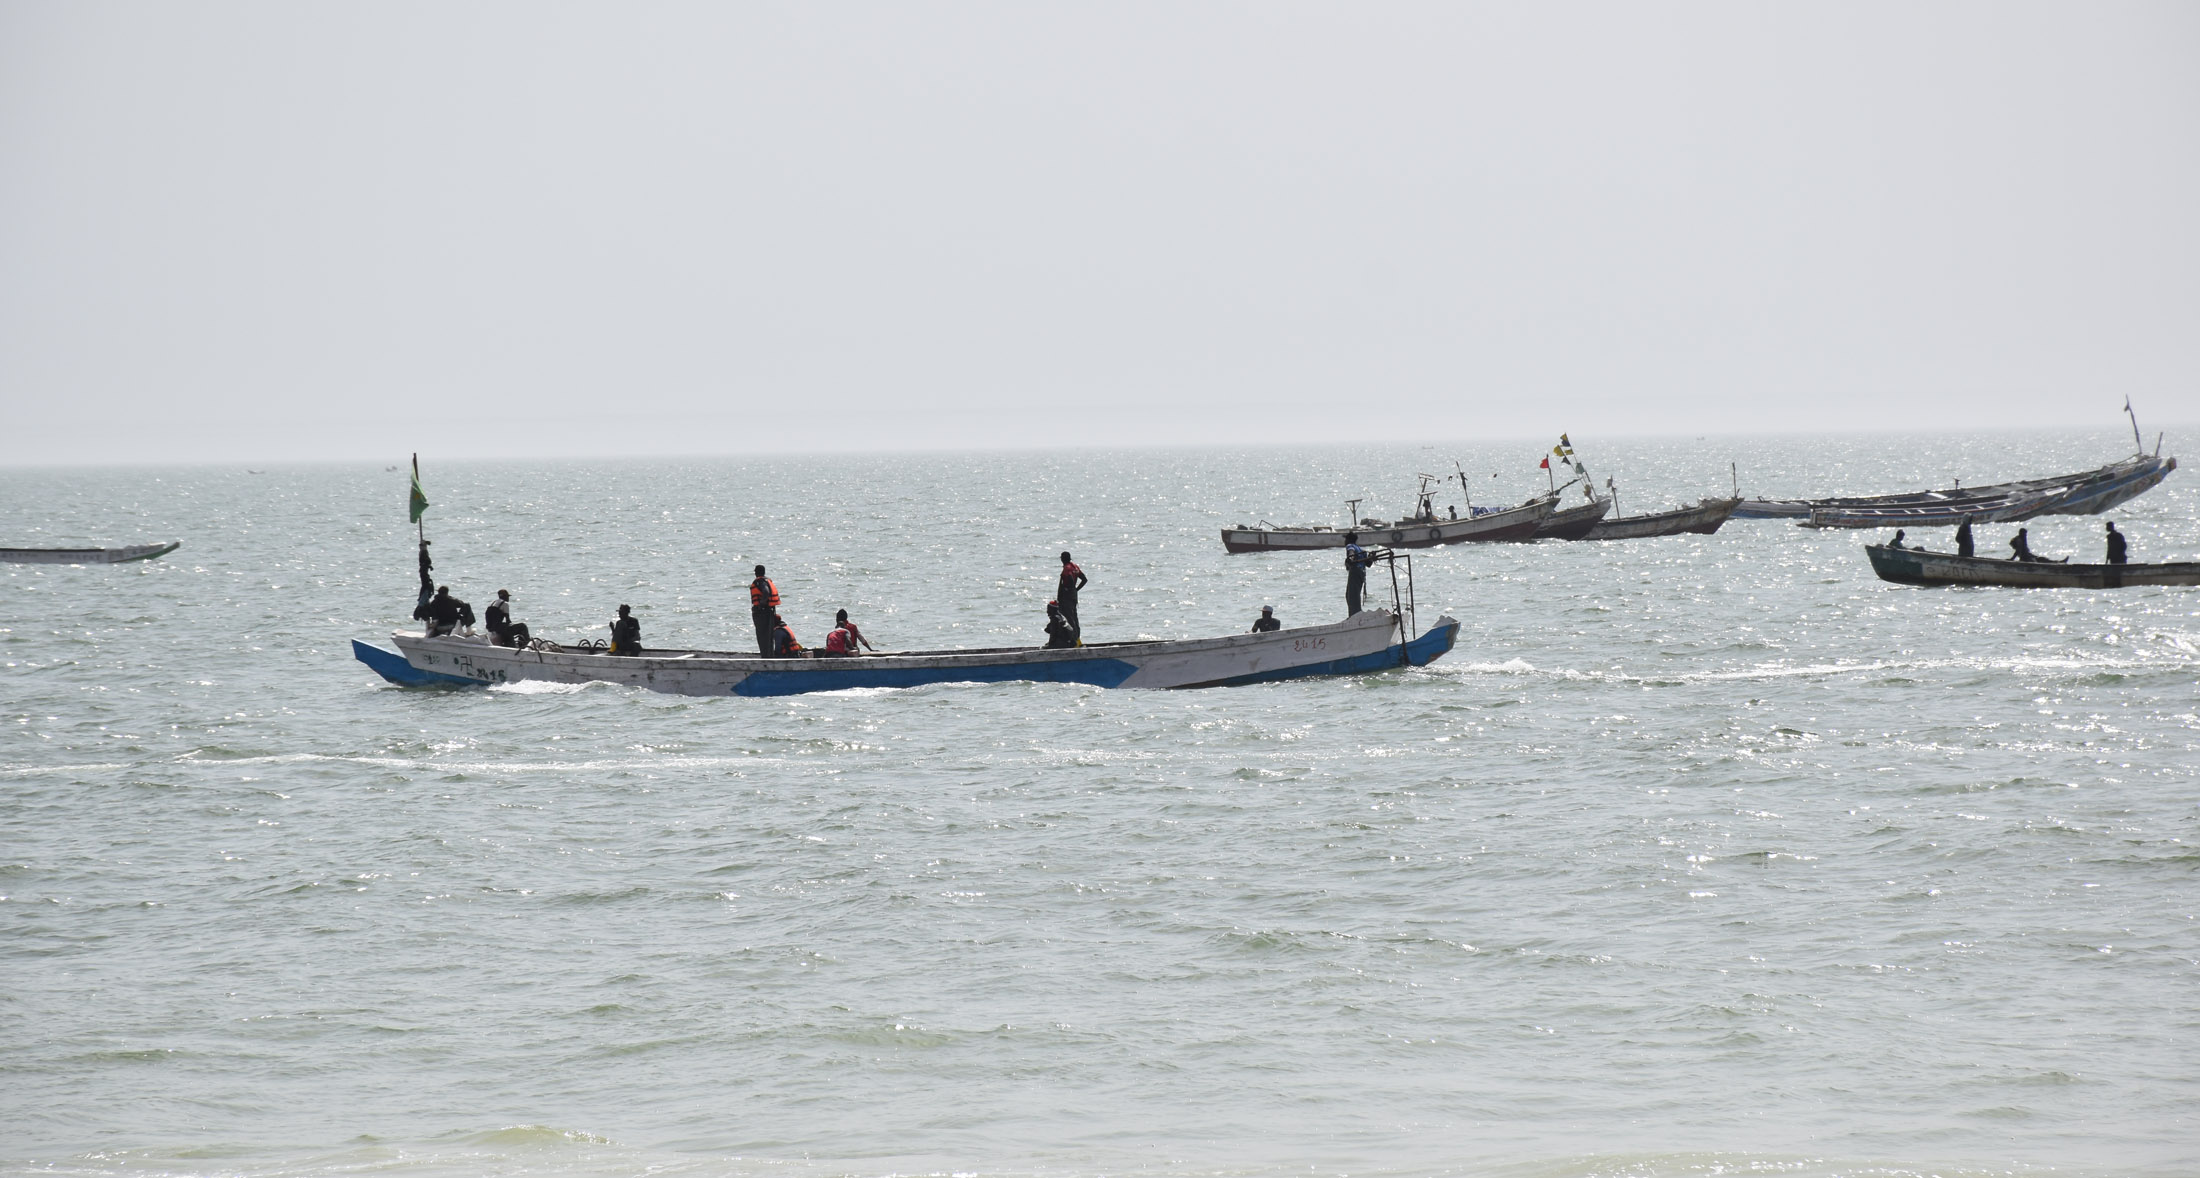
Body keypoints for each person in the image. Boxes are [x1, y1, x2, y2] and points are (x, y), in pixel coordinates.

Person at [749, 565, 780, 656]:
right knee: (768, 636)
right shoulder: (767, 580)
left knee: (762, 636)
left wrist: (760, 605)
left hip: (762, 612)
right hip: (769, 611)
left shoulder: (759, 582)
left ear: (756, 572)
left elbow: (766, 592)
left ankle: (766, 657)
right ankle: (769, 656)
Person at [1057, 552, 1088, 637]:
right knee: (1074, 617)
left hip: (1066, 596)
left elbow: (1069, 579)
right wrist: (1075, 590)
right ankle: (1077, 636)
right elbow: (1084, 579)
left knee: (1068, 617)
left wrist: (1068, 590)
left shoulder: (1067, 569)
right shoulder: (1075, 567)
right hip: (1073, 596)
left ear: (1063, 559)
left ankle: (1073, 637)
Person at [1343, 533, 1369, 616]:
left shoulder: (1350, 546)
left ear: (1349, 540)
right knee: (1353, 595)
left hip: (1355, 571)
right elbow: (1368, 563)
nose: (1345, 541)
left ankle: (1355, 615)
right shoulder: (1361, 550)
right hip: (1361, 573)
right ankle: (1355, 614)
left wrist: (1350, 558)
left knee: (1352, 596)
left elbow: (1351, 552)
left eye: (1346, 539)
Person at [415, 539, 435, 609]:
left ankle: (423, 597)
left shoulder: (424, 552)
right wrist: (429, 565)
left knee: (426, 585)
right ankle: (422, 598)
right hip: (423, 571)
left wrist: (429, 566)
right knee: (426, 585)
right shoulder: (423, 552)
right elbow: (426, 561)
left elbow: (426, 561)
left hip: (424, 570)